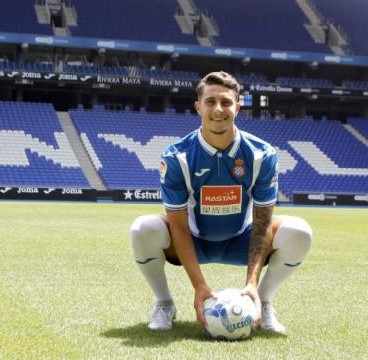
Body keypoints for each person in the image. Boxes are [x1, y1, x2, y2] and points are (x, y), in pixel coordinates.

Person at [130, 71, 313, 333]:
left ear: (238, 107)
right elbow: (179, 226)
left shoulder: (262, 154)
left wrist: (251, 283)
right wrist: (199, 287)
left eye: (226, 102)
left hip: (242, 239)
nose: (218, 109)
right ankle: (164, 303)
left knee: (299, 232)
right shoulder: (176, 156)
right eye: (210, 101)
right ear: (198, 107)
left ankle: (262, 300)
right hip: (193, 240)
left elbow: (262, 223)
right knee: (143, 228)